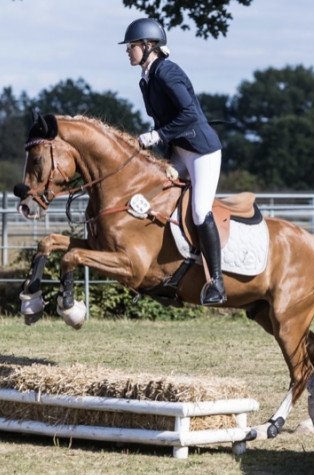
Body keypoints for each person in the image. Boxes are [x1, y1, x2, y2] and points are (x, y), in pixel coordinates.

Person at [120, 18, 226, 305]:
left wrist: (155, 137)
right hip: (180, 151)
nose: (127, 52)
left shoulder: (167, 73)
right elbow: (165, 118)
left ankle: (216, 282)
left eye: (131, 46)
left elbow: (190, 114)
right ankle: (158, 276)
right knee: (153, 197)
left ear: (147, 45)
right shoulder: (147, 78)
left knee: (200, 211)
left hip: (202, 151)